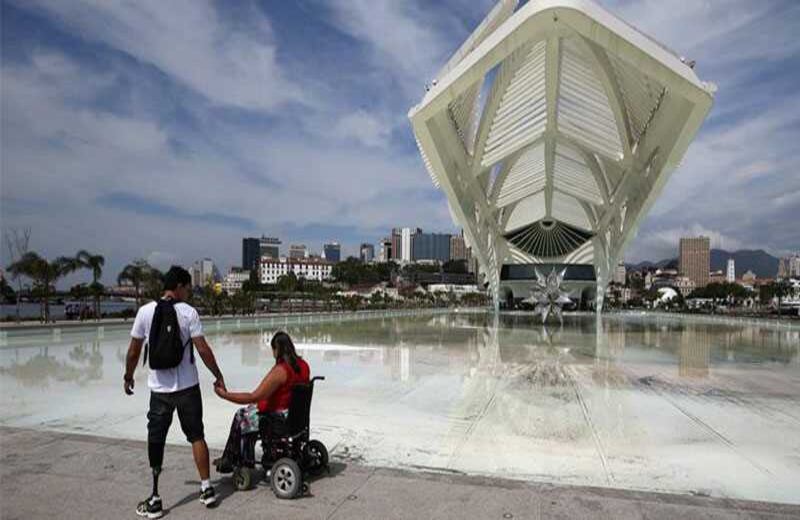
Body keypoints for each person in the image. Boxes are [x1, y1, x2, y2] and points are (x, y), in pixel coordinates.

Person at [123, 266, 225, 519]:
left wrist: (128, 376)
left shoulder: (146, 312)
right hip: (188, 388)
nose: (190, 291)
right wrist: (217, 374)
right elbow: (202, 349)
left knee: (156, 439)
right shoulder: (188, 313)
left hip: (159, 391)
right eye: (188, 287)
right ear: (179, 286)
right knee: (196, 435)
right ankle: (206, 488)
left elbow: (134, 351)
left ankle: (155, 497)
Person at [213, 331, 309, 472]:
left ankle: (237, 460)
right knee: (249, 413)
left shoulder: (281, 371)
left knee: (241, 416)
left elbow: (254, 396)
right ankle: (234, 457)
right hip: (296, 416)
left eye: (273, 350)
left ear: (277, 350)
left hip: (278, 420)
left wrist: (225, 395)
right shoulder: (304, 365)